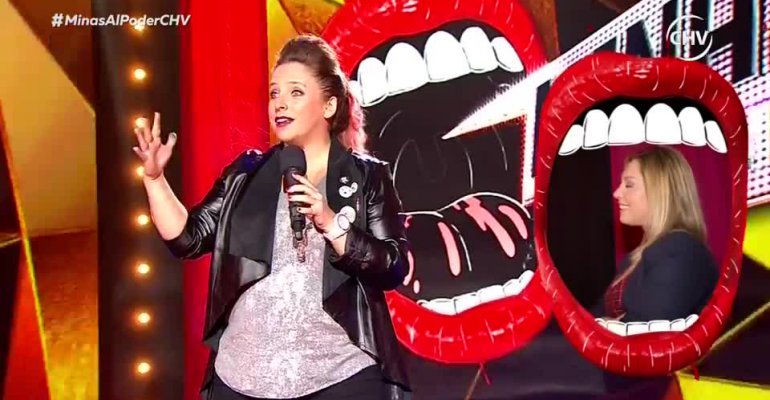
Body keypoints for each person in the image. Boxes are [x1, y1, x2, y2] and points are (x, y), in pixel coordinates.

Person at [133, 35, 411, 400]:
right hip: (241, 379)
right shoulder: (247, 174)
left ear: (329, 105)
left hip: (340, 379)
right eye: (274, 93)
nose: (280, 103)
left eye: (295, 92)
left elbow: (393, 266)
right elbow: (188, 238)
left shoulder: (366, 177)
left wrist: (332, 223)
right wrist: (154, 180)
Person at [602, 146, 719, 323]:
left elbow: (651, 325)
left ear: (660, 191)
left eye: (629, 185)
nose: (617, 193)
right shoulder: (634, 258)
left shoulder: (681, 249)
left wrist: (609, 324)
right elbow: (595, 315)